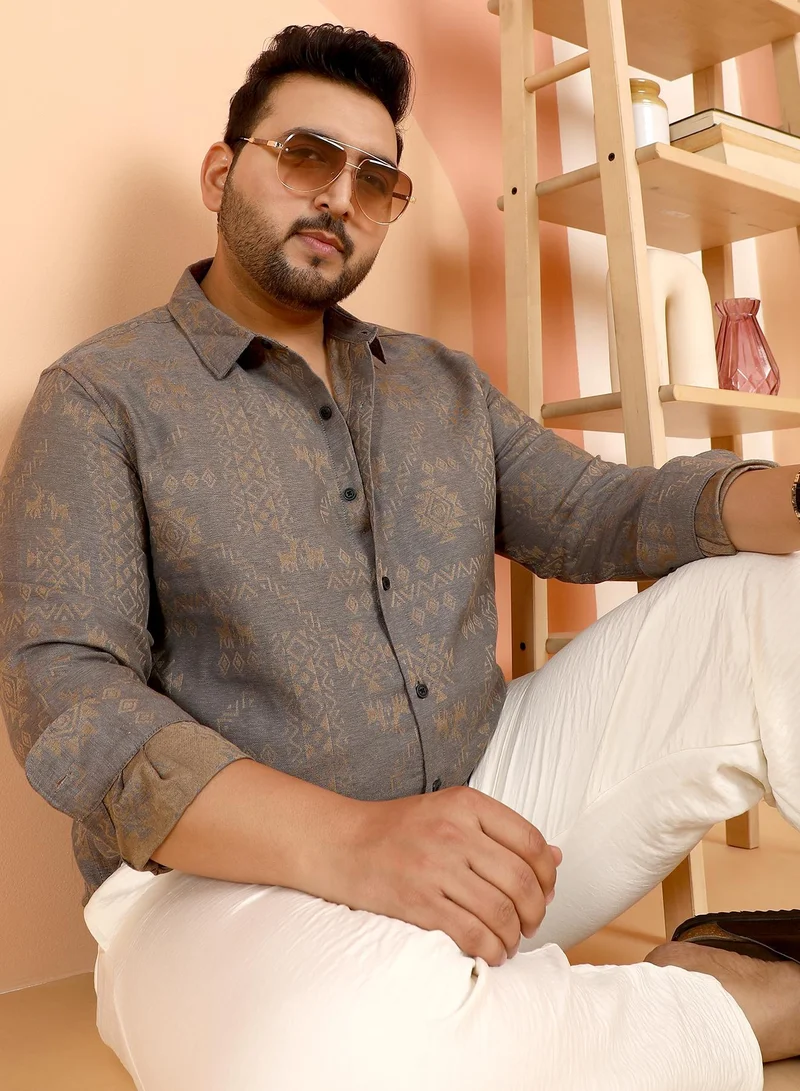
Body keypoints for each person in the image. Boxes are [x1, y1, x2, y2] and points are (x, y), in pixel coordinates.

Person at [2, 21, 800, 1091]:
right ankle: (747, 997)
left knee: (772, 597)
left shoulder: (440, 385)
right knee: (324, 1063)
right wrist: (353, 842)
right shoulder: (100, 396)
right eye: (306, 156)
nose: (340, 196)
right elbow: (65, 691)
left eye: (376, 179)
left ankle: (503, 1011)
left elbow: (595, 509)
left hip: (491, 819)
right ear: (220, 173)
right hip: (217, 887)